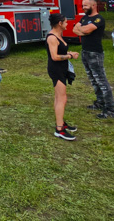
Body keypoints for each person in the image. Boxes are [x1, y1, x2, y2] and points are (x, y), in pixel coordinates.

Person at [73, 0, 114, 119]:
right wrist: (82, 29)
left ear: (93, 5)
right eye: (83, 6)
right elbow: (75, 30)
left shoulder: (98, 19)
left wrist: (82, 29)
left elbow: (85, 30)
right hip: (85, 52)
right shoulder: (85, 18)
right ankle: (99, 102)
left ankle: (110, 110)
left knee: (101, 80)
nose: (83, 8)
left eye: (85, 5)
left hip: (95, 53)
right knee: (92, 79)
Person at [47, 13, 79, 141]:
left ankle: (60, 122)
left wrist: (68, 53)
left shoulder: (58, 35)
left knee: (59, 97)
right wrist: (70, 56)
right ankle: (59, 129)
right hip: (56, 70)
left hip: (62, 68)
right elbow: (54, 56)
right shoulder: (52, 38)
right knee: (62, 98)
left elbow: (60, 52)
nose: (67, 24)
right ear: (59, 23)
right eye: (65, 22)